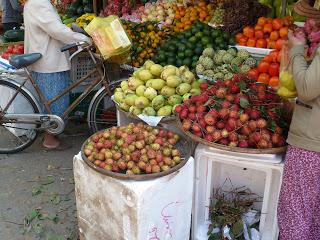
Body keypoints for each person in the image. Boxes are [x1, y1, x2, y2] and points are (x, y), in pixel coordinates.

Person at [277, 0, 320, 239]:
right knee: (314, 218)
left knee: (295, 215)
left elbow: (306, 88)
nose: (307, 23)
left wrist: (296, 49)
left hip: (311, 145)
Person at [24, 0, 91, 150]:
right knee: (55, 104)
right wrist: (83, 39)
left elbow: (52, 28)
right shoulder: (39, 3)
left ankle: (52, 134)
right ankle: (50, 140)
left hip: (46, 58)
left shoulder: (34, 2)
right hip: (49, 61)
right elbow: (56, 30)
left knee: (51, 102)